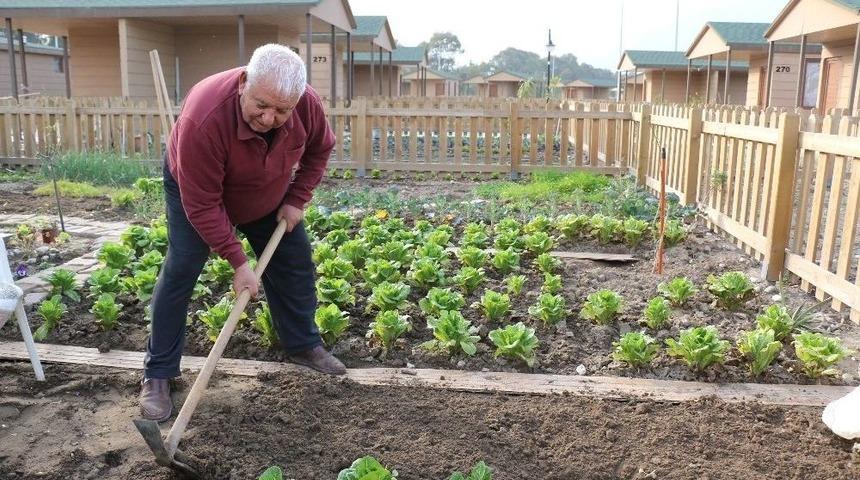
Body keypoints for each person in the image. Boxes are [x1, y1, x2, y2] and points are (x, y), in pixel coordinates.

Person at [139, 44, 344, 423]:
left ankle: (302, 345)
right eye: (261, 105)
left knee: (294, 261)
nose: (269, 118)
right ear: (244, 82)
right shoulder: (204, 116)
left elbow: (321, 149)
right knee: (181, 269)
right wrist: (238, 261)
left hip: (266, 185)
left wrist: (297, 198)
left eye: (282, 111)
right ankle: (159, 374)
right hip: (198, 187)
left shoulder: (305, 105)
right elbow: (202, 204)